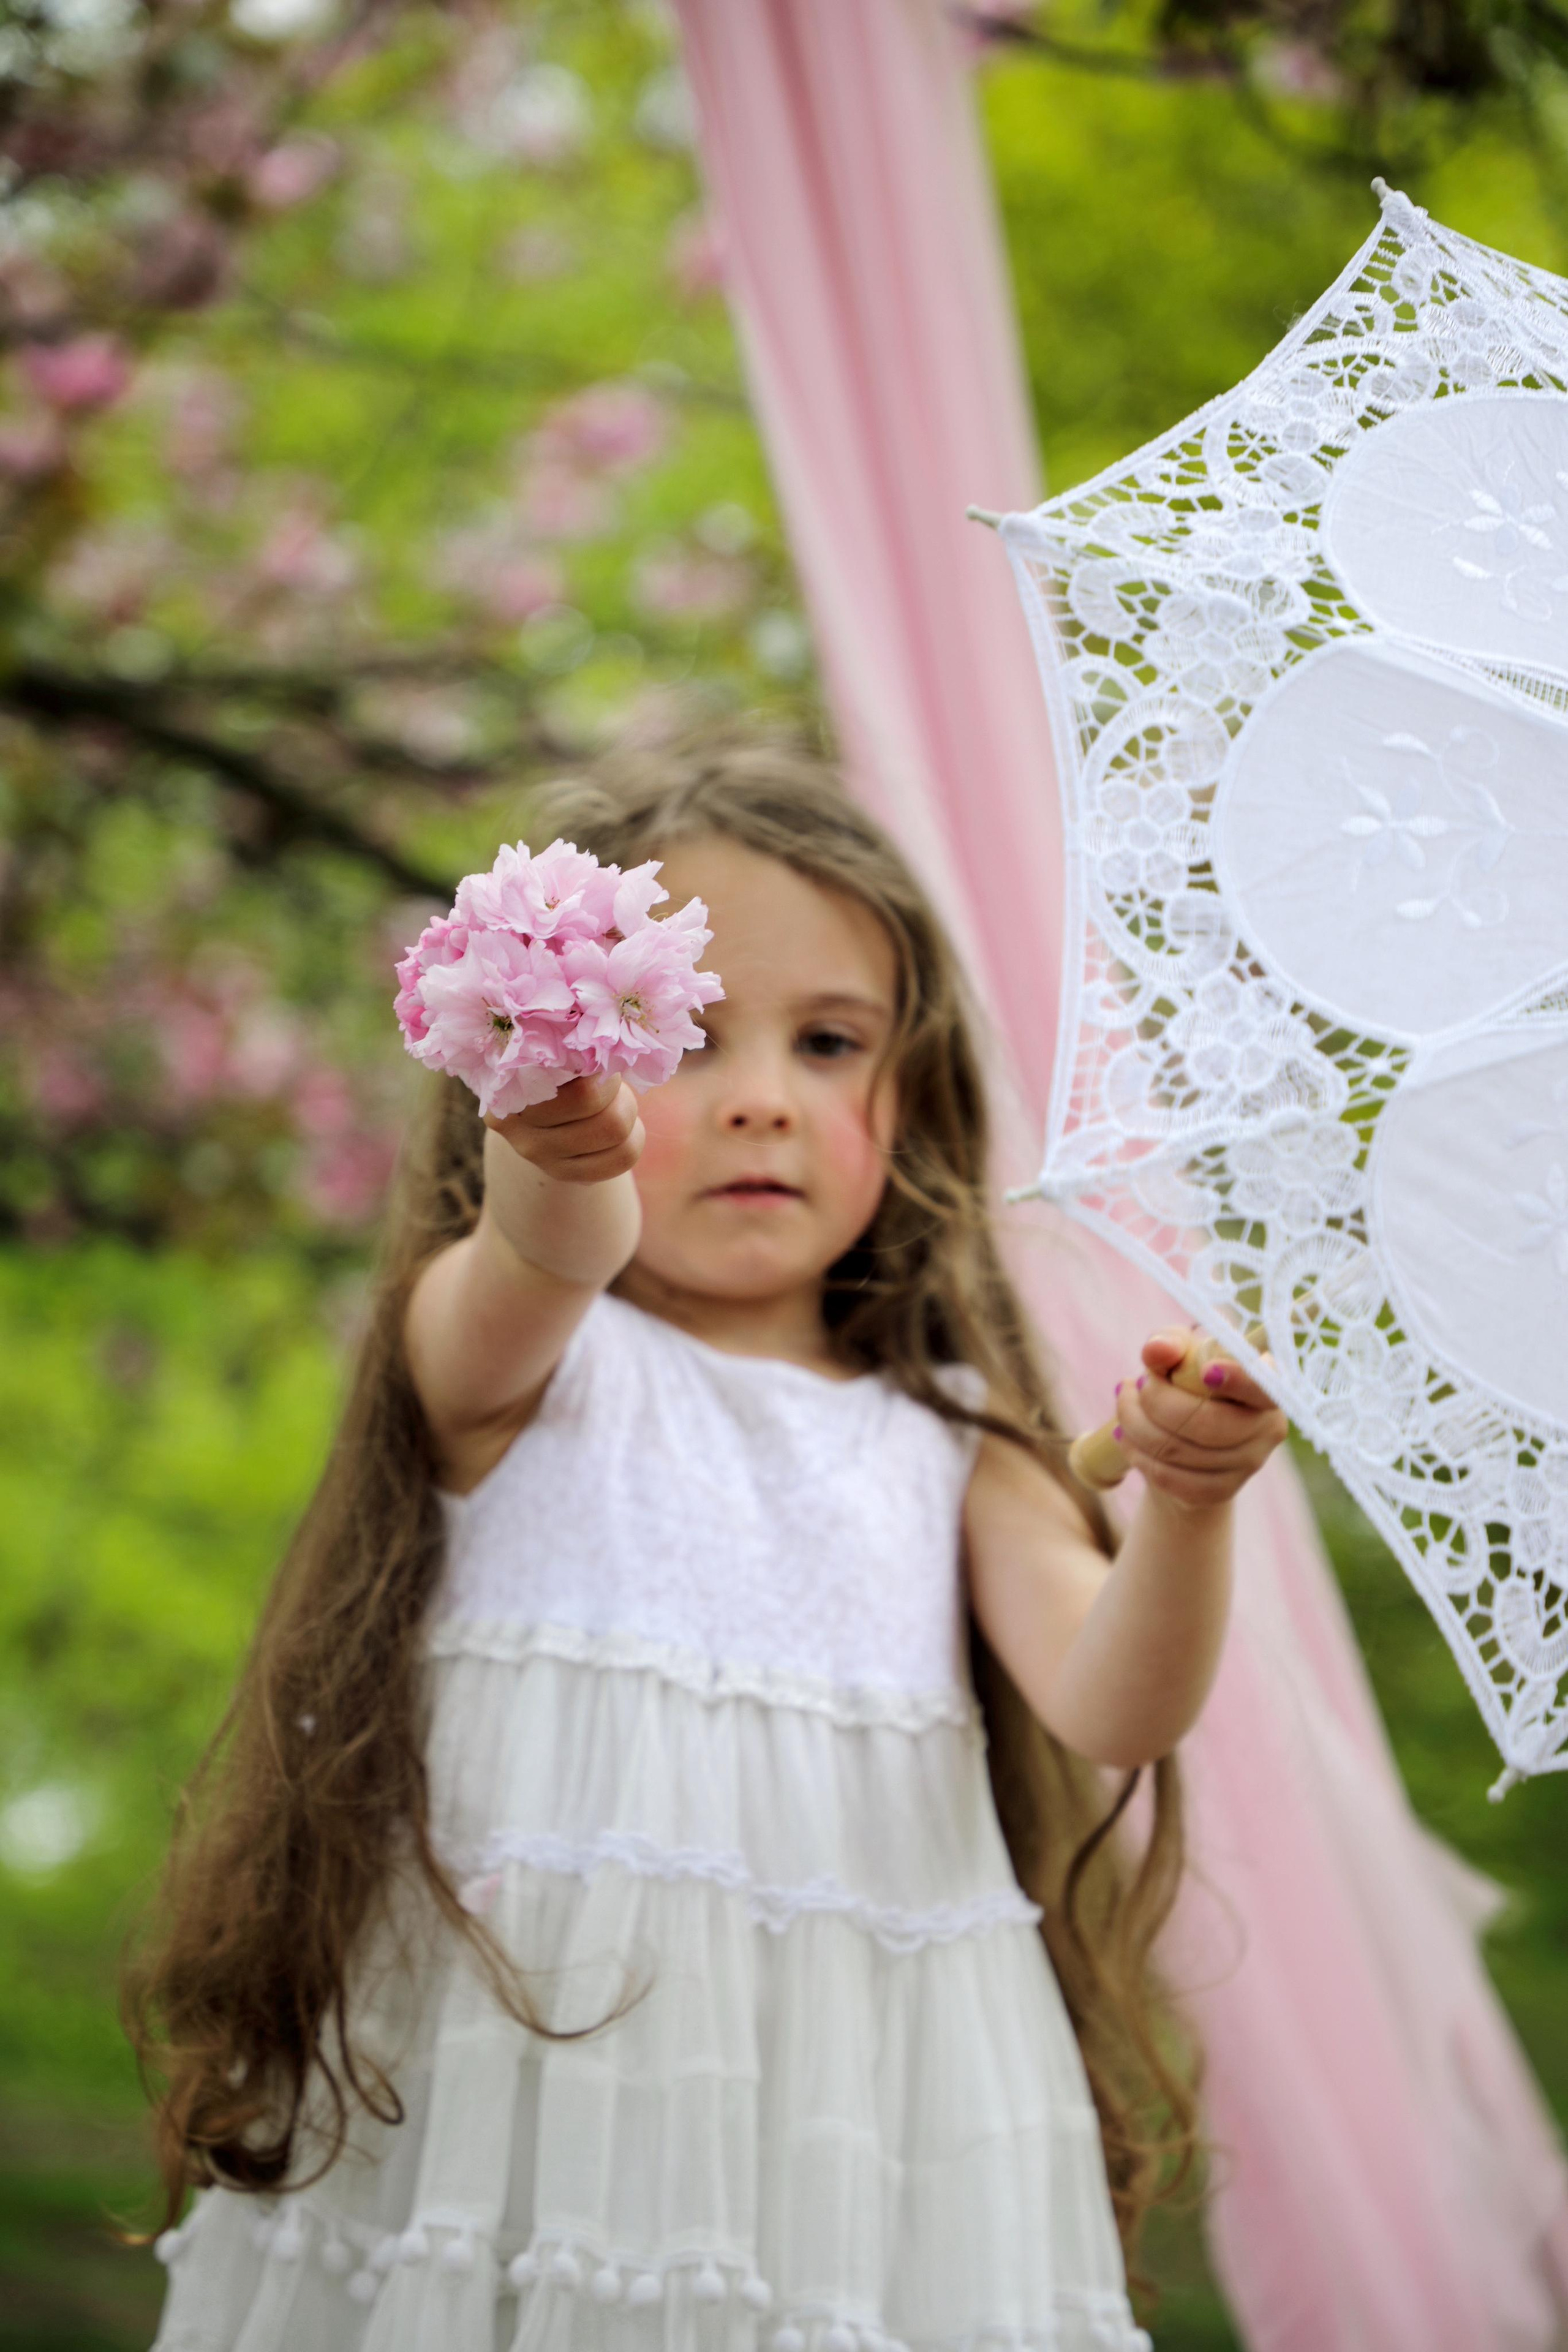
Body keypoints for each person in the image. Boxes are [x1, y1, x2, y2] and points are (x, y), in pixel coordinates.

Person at [134, 738, 1286, 2352]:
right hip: (529, 2073)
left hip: (858, 2110)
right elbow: (555, 1244)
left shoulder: (958, 1439)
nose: (759, 1095)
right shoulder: (514, 1360)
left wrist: (1190, 1507)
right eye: (681, 1037)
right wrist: (555, 1138)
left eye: (830, 1042)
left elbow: (1118, 1703)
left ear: (913, 1091)